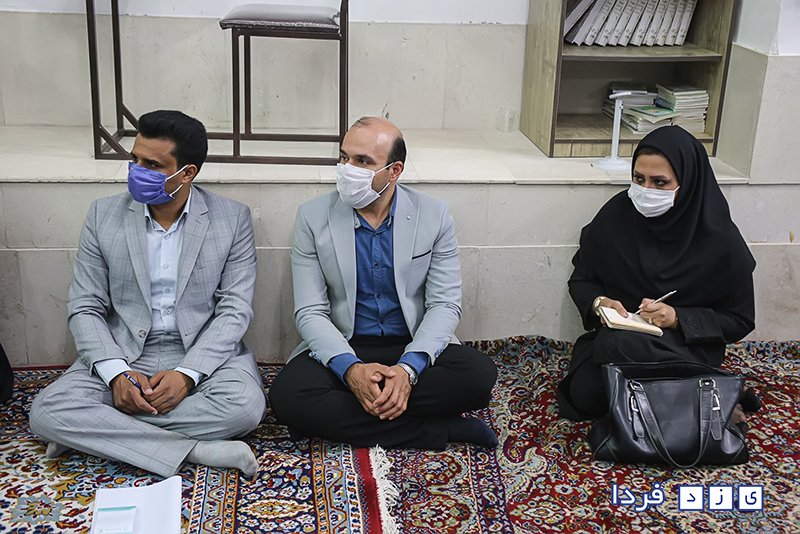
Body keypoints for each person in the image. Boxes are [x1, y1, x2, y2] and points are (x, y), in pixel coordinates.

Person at [30, 110, 266, 478]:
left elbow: (234, 309)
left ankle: (93, 433)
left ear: (187, 173)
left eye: (152, 165)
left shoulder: (231, 219)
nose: (136, 171)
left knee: (245, 408)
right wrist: (116, 374)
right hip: (123, 349)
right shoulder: (103, 215)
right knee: (46, 411)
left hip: (198, 350)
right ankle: (196, 450)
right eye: (134, 159)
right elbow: (85, 305)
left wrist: (187, 374)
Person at [268, 117, 498, 449]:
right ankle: (442, 429)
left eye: (363, 161)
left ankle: (338, 419)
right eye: (344, 157)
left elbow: (445, 304)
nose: (347, 169)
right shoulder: (313, 217)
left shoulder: (434, 216)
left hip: (411, 341)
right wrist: (351, 371)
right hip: (345, 341)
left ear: (394, 170)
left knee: (478, 377)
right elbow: (309, 312)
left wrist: (408, 370)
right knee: (288, 397)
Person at [558, 125, 757, 421]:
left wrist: (677, 318)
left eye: (660, 182)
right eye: (639, 179)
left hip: (684, 347)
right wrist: (600, 303)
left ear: (688, 182)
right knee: (584, 395)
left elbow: (740, 319)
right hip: (617, 338)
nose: (646, 191)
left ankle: (696, 393)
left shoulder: (719, 239)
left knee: (621, 353)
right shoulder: (616, 216)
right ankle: (704, 398)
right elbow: (582, 279)